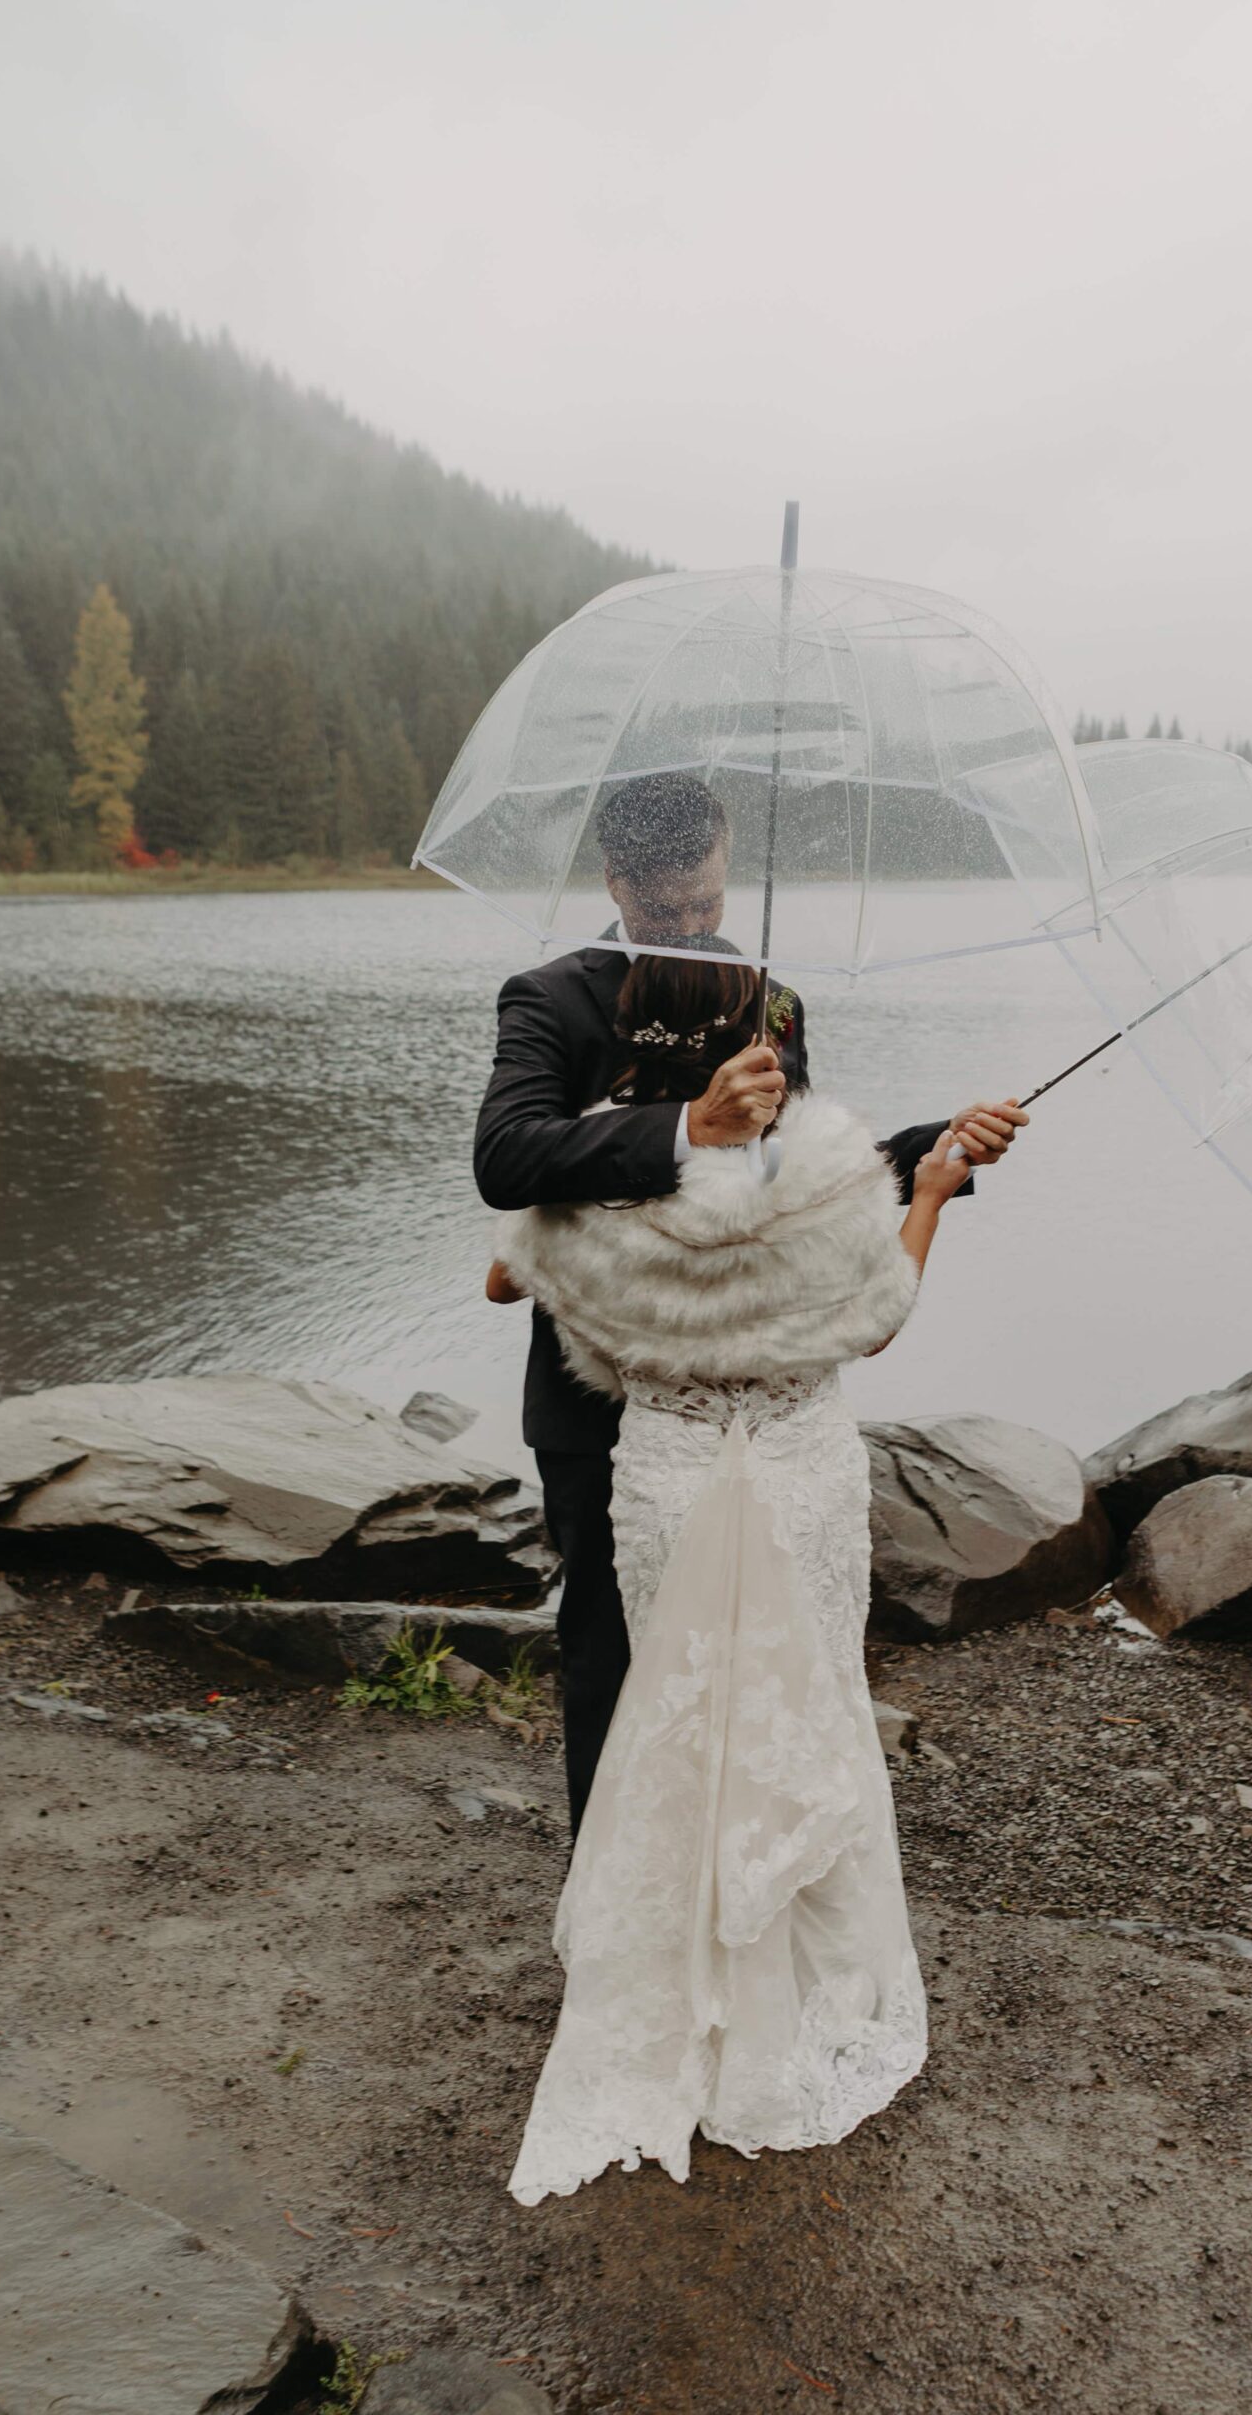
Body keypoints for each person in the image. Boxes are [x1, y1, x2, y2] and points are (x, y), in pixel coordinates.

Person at [488, 951, 978, 2203]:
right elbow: (879, 1309)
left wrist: (623, 1177)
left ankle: (649, 1955)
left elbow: (508, 1270)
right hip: (799, 1477)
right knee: (800, 1706)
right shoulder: (814, 1209)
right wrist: (923, 1186)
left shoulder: (597, 1227)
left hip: (665, 1478)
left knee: (671, 1709)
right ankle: (789, 1967)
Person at [472, 770, 1028, 1836]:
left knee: (743, 1655)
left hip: (744, 1394)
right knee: (607, 1652)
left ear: (724, 872)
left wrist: (934, 1150)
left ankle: (726, 1878)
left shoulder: (766, 995)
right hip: (596, 1391)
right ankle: (610, 1902)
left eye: (707, 905)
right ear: (618, 879)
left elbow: (801, 1180)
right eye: (666, 909)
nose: (690, 929)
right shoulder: (548, 996)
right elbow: (505, 1160)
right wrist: (691, 1129)